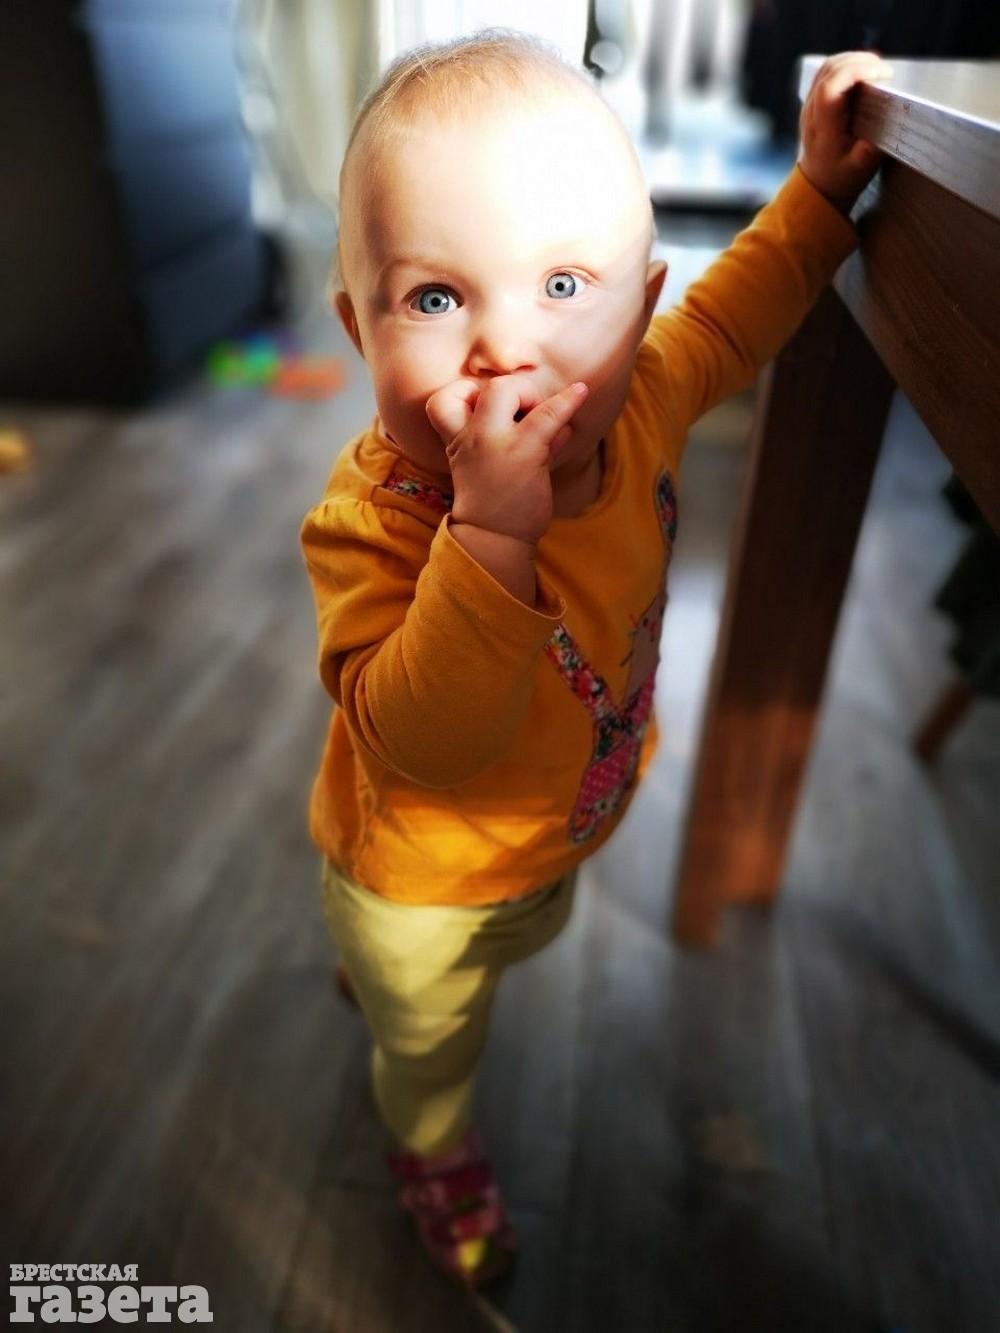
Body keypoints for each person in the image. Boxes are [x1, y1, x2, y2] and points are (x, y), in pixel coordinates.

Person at [299, 30, 892, 1287]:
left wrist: (817, 197)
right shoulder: (376, 523)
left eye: (564, 284)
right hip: (418, 883)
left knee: (515, 945)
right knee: (432, 1037)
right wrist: (488, 538)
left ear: (642, 302)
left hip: (554, 828)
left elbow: (738, 313)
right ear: (356, 326)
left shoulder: (647, 399)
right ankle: (429, 1145)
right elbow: (427, 742)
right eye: (435, 298)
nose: (504, 350)